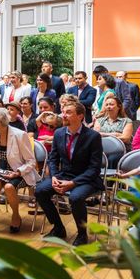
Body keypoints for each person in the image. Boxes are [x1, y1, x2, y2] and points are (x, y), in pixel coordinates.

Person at [35, 101, 103, 246]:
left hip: (86, 178)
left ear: (80, 116)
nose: (63, 115)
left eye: (68, 112)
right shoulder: (59, 133)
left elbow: (94, 168)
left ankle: (82, 234)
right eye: (63, 111)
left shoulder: (93, 136)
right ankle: (58, 228)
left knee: (76, 197)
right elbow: (53, 159)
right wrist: (53, 177)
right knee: (40, 190)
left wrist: (73, 183)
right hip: (64, 174)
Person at [0, 108, 38, 234]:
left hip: (19, 172)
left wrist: (18, 172)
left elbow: (31, 161)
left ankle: (16, 216)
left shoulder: (20, 135)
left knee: (8, 187)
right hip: (1, 171)